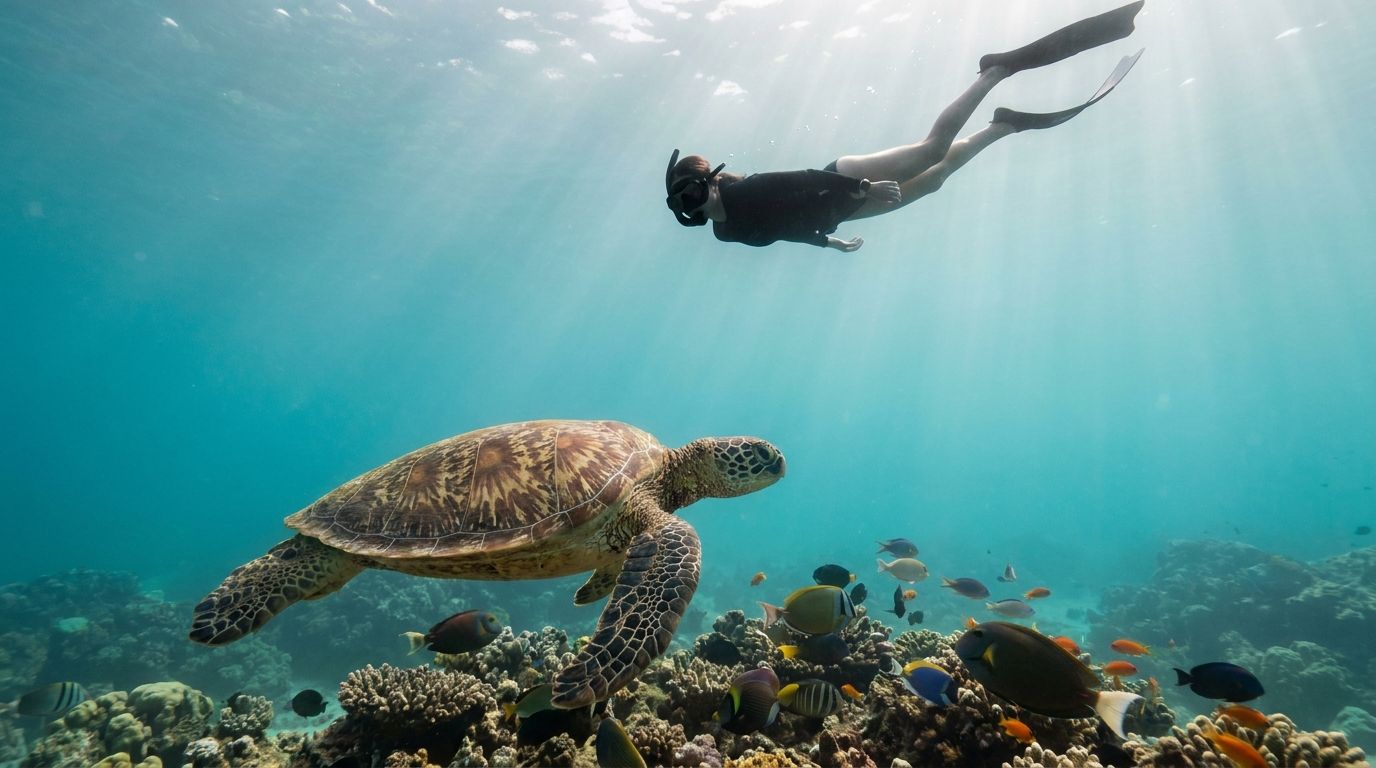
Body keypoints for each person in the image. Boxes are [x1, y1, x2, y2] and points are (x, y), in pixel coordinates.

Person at [665, 1, 1146, 252]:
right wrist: (826, 242)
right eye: (683, 200)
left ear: (710, 180)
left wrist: (864, 187)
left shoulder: (745, 192)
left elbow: (806, 181)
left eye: (693, 189)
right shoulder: (725, 234)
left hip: (843, 179)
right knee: (934, 181)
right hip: (840, 214)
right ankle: (1002, 127)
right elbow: (781, 231)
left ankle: (993, 71)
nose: (694, 202)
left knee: (932, 150)